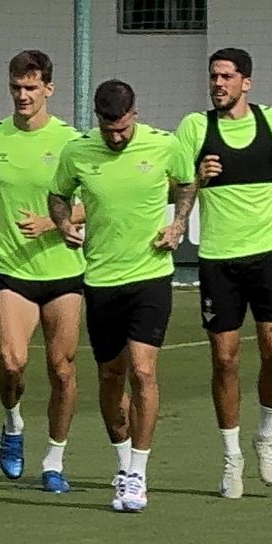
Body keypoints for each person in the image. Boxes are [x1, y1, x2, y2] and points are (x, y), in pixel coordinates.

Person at [50, 80, 196, 512]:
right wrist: (62, 224)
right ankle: (121, 461)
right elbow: (58, 194)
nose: (116, 136)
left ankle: (138, 474)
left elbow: (186, 185)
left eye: (122, 127)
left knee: (143, 372)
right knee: (111, 376)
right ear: (98, 119)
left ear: (134, 114)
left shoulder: (165, 145)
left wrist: (179, 222)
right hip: (99, 281)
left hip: (150, 276)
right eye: (107, 129)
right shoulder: (77, 151)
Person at [0, 50, 86, 492]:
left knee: (62, 370)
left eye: (32, 88)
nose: (23, 96)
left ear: (49, 89)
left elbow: (93, 197)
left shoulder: (73, 142)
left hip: (64, 270)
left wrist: (56, 222)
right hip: (12, 268)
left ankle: (54, 460)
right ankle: (13, 424)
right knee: (12, 364)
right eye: (16, 87)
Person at [175, 47, 272, 497]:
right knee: (224, 359)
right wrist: (197, 177)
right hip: (219, 259)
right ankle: (231, 457)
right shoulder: (195, 127)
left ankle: (265, 437)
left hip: (270, 254)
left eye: (227, 76)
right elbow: (173, 186)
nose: (218, 83)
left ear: (246, 83)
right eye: (213, 76)